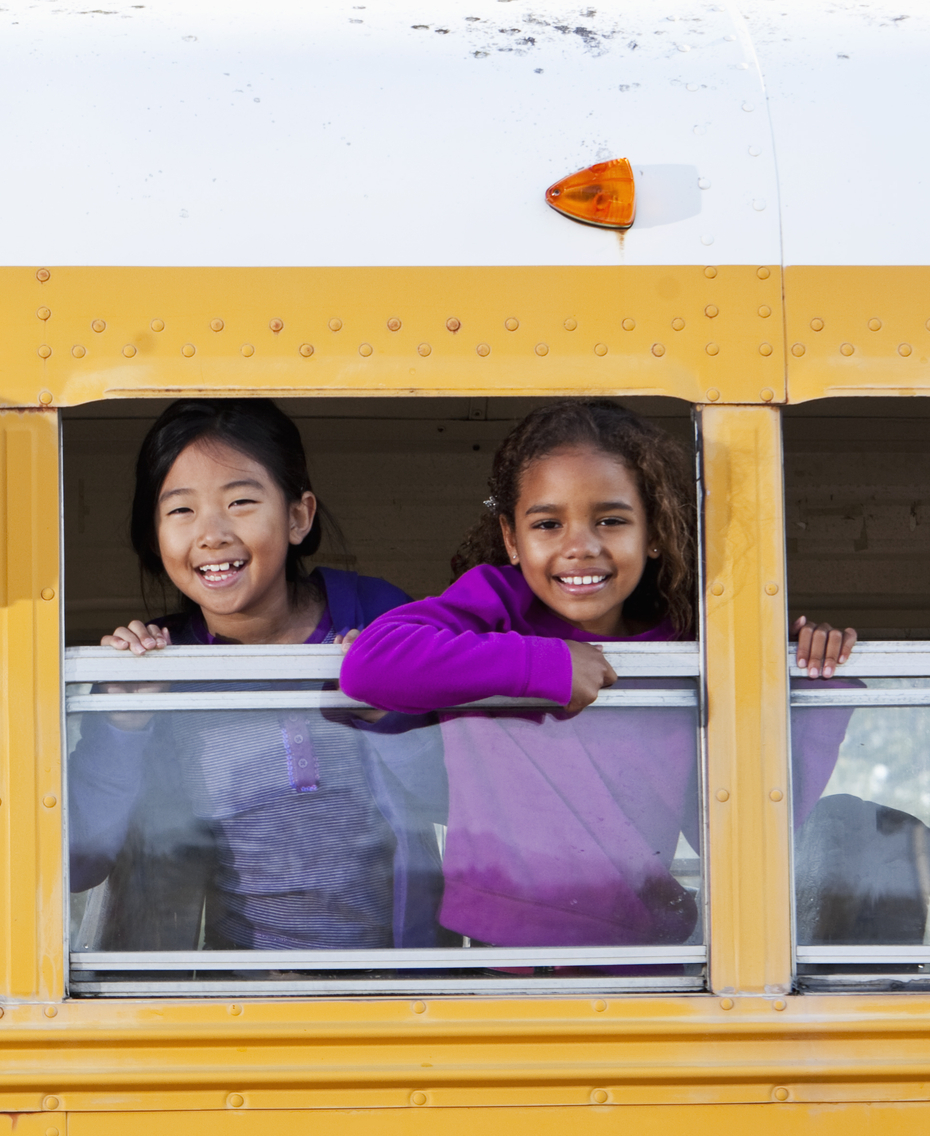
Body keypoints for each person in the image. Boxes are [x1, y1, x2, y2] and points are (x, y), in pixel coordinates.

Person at [339, 398, 857, 949]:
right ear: (512, 540)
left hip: (644, 953)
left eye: (610, 520)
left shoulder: (685, 644)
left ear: (654, 532)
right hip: (506, 958)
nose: (580, 546)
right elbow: (371, 664)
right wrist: (544, 663)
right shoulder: (498, 602)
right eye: (547, 523)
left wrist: (814, 674)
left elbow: (729, 831)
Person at [66, 398, 437, 953]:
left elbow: (454, 798)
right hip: (234, 1001)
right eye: (181, 511)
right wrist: (123, 720)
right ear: (153, 536)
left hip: (400, 996)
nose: (211, 534)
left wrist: (387, 714)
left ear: (297, 516)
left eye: (240, 501)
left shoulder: (379, 619)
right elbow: (77, 861)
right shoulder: (153, 667)